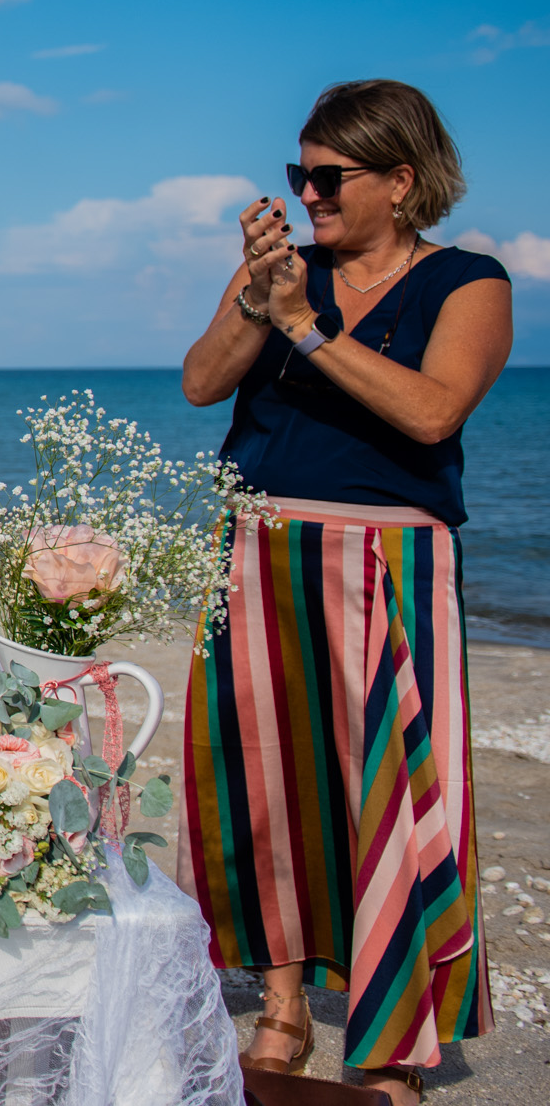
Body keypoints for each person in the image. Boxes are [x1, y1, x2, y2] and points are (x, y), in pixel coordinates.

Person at [178, 81, 509, 1103]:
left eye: (327, 176)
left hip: (388, 563)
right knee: (265, 790)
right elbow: (199, 382)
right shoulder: (285, 274)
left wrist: (310, 332)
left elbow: (430, 413)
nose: (307, 193)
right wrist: (256, 297)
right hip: (258, 547)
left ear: (399, 181)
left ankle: (391, 1041)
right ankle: (279, 1005)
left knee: (395, 798)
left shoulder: (468, 281)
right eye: (297, 174)